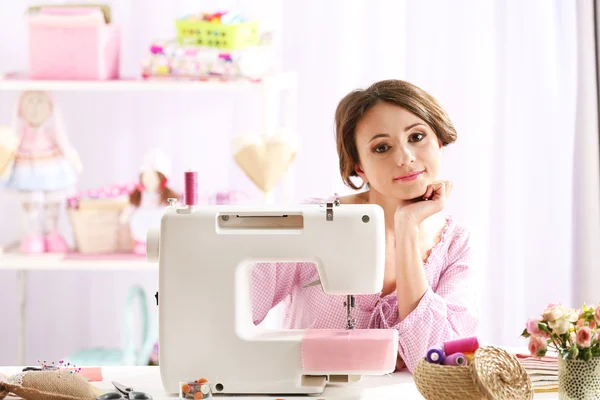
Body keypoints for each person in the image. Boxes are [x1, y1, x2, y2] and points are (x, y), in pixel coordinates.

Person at [251, 79, 479, 373]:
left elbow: (451, 364)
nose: (406, 157)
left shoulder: (457, 243)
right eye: (382, 147)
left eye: (417, 136)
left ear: (438, 140)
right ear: (359, 166)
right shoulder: (314, 223)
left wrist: (406, 229)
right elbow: (234, 312)